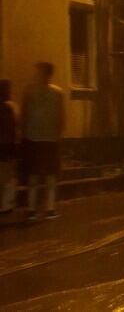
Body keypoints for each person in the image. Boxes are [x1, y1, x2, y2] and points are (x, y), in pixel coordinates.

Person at [22, 62, 65, 221]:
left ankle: (32, 210)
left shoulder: (29, 91)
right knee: (50, 176)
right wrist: (58, 135)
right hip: (50, 140)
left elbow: (24, 116)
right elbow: (61, 117)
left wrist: (24, 135)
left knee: (34, 176)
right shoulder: (57, 93)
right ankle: (50, 209)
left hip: (33, 139)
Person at [0, 80, 18, 214]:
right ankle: (7, 205)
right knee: (8, 177)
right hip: (8, 147)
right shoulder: (11, 107)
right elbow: (14, 129)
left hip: (4, 146)